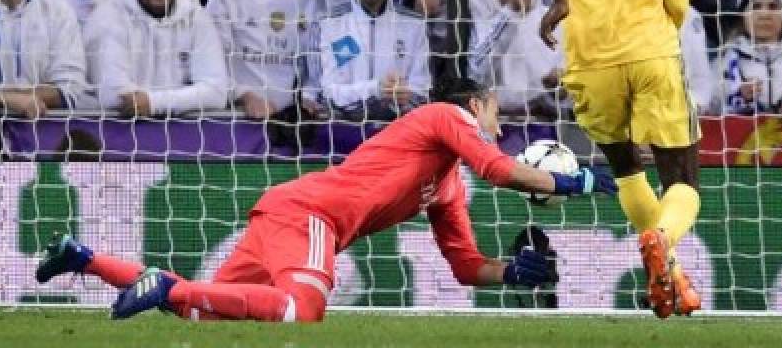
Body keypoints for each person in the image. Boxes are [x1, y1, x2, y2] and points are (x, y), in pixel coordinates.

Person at [36, 74, 617, 322]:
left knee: (199, 313)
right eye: (494, 111)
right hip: (313, 215)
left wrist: (513, 273)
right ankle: (163, 283)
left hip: (286, 213)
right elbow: (498, 168)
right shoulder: (445, 115)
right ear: (478, 103)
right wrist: (581, 182)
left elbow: (465, 267)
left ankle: (83, 257)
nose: (498, 122)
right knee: (303, 311)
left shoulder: (445, 184)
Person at [534, 0, 702, 319]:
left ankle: (672, 273)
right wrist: (659, 30)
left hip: (591, 60)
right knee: (683, 178)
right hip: (652, 51)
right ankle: (664, 242)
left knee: (627, 168)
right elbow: (678, 0)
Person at [86, 0, 229, 118]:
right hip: (118, 132)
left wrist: (154, 103)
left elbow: (216, 93)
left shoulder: (196, 17)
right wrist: (186, 99)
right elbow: (113, 95)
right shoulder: (108, 17)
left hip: (182, 133)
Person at [304, 0, 432, 121]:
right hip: (342, 133)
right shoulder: (326, 24)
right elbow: (322, 93)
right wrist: (376, 89)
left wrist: (407, 97)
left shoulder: (414, 25)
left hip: (397, 132)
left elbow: (423, 91)